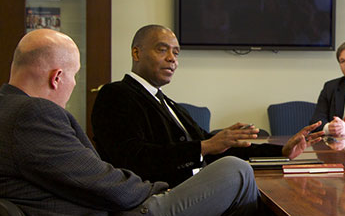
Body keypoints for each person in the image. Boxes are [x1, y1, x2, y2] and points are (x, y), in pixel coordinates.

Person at [0, 29, 323, 216]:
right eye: (73, 76)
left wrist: (279, 151)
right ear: (57, 77)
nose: (73, 84)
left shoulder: (12, 110)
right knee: (234, 172)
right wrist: (163, 193)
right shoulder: (32, 115)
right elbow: (105, 180)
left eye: (177, 52)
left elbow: (208, 142)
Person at [92, 24, 320, 187]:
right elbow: (133, 159)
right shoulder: (116, 94)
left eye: (176, 52)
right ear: (136, 52)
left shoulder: (168, 103)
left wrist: (281, 151)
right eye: (162, 50)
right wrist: (203, 147)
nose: (172, 58)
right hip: (160, 198)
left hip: (194, 188)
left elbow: (215, 147)